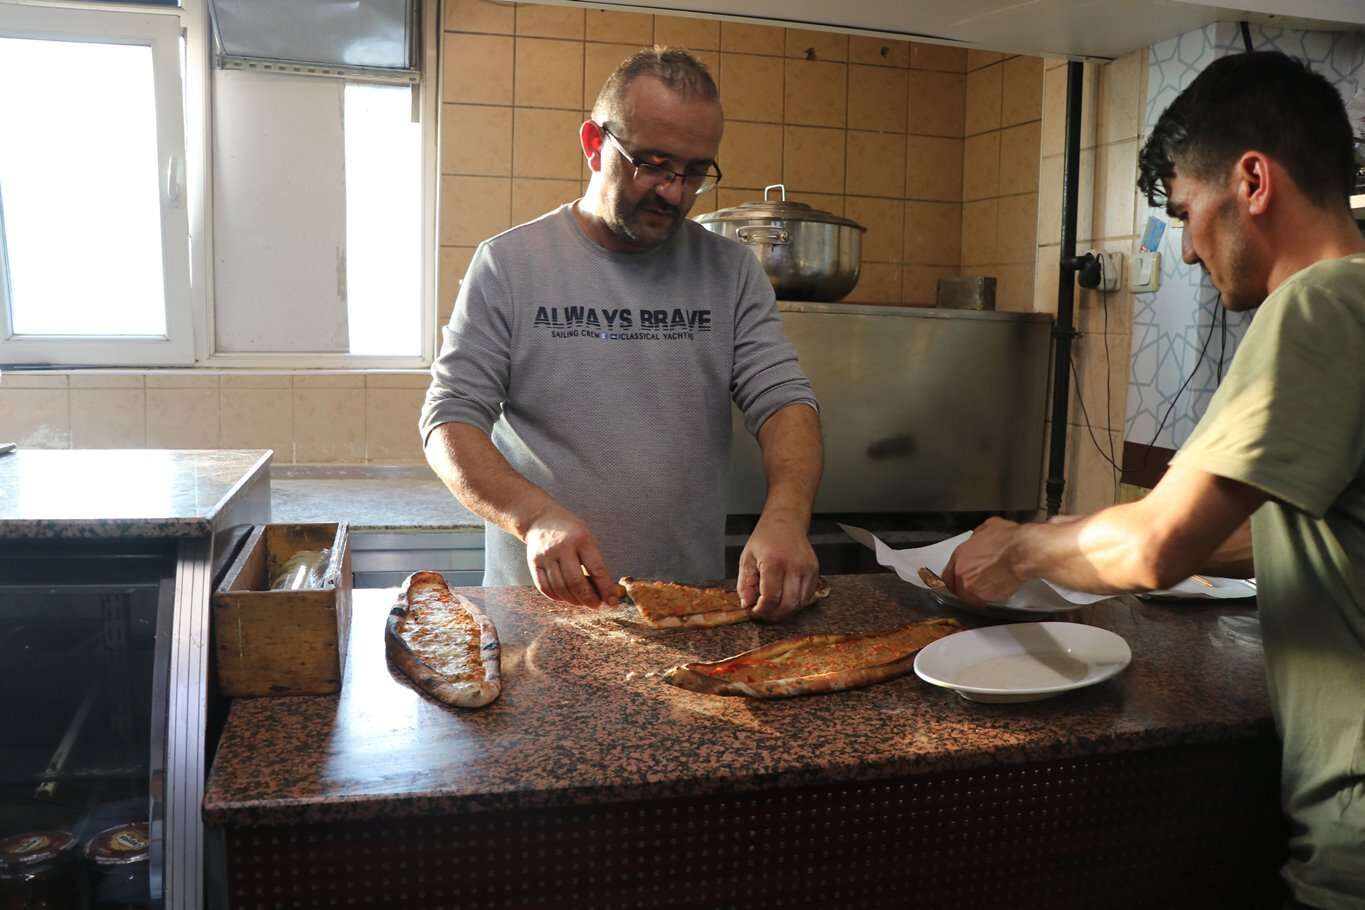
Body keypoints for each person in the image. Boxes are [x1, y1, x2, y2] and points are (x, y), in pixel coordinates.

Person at [943, 51, 1364, 909]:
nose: (1185, 249)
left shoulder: (1318, 303)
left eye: (1184, 212)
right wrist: (1076, 537)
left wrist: (1019, 548)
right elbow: (1299, 530)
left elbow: (1158, 547)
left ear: (1252, 181)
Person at [421, 47, 823, 620]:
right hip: (541, 609)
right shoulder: (509, 265)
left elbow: (784, 402)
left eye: (694, 172)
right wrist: (535, 518)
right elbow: (450, 420)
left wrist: (786, 516)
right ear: (593, 144)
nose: (674, 192)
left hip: (687, 608)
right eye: (653, 164)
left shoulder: (731, 272)